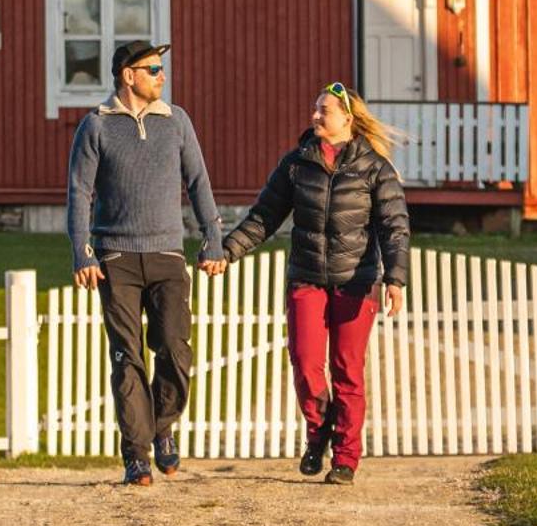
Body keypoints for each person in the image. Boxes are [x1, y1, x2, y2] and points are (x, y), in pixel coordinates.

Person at [222, 82, 408, 485]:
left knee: (347, 371)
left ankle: (345, 457)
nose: (316, 116)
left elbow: (394, 226)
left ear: (348, 118)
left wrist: (395, 278)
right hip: (306, 279)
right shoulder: (296, 164)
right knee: (306, 365)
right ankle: (318, 429)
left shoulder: (375, 168)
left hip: (355, 283)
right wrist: (228, 251)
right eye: (315, 109)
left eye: (324, 110)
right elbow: (263, 217)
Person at [66, 40, 226, 486]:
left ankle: (161, 426)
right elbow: (79, 192)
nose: (162, 74)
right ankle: (136, 454)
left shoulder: (177, 122)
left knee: (176, 350)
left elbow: (198, 183)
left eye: (162, 67)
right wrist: (82, 252)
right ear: (127, 75)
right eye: (152, 68)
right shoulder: (95, 127)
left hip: (167, 255)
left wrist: (212, 239)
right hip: (116, 257)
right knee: (127, 357)